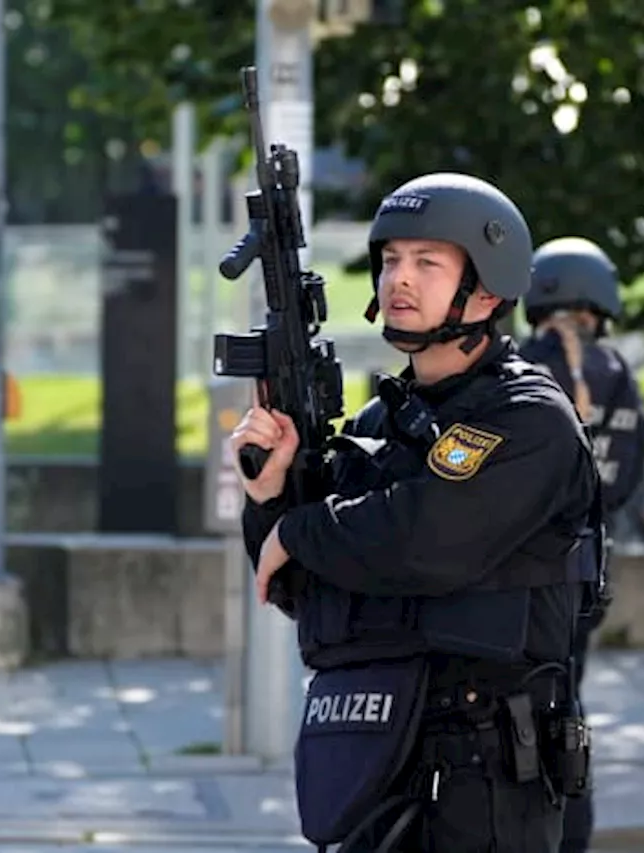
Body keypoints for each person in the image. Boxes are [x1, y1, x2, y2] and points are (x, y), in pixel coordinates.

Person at [230, 173, 603, 853]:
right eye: (391, 259)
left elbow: (426, 539)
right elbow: (298, 587)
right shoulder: (383, 421)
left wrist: (299, 529)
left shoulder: (528, 418)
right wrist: (271, 495)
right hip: (375, 757)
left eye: (427, 262)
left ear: (487, 289)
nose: (399, 279)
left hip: (484, 778)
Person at [518, 236, 644, 853]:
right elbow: (626, 478)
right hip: (586, 578)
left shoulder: (516, 366)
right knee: (565, 704)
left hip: (515, 578)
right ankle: (570, 836)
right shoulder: (618, 374)